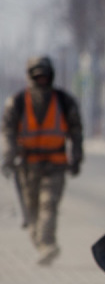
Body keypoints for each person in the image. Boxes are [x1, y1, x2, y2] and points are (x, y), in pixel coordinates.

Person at [2, 56, 83, 265]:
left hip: (55, 163)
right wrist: (8, 156)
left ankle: (48, 245)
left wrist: (76, 157)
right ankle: (40, 242)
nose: (42, 80)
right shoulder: (17, 102)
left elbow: (76, 131)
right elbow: (8, 131)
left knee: (49, 204)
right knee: (31, 210)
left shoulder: (64, 101)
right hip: (28, 166)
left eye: (45, 76)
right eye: (37, 76)